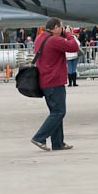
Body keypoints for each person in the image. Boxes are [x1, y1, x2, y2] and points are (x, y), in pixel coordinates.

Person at [30, 17, 80, 151]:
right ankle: (39, 137)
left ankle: (58, 143)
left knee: (55, 112)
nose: (63, 29)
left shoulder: (40, 37)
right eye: (61, 27)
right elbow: (73, 47)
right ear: (56, 27)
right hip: (54, 81)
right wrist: (68, 34)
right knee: (59, 112)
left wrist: (63, 34)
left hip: (45, 81)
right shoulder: (54, 40)